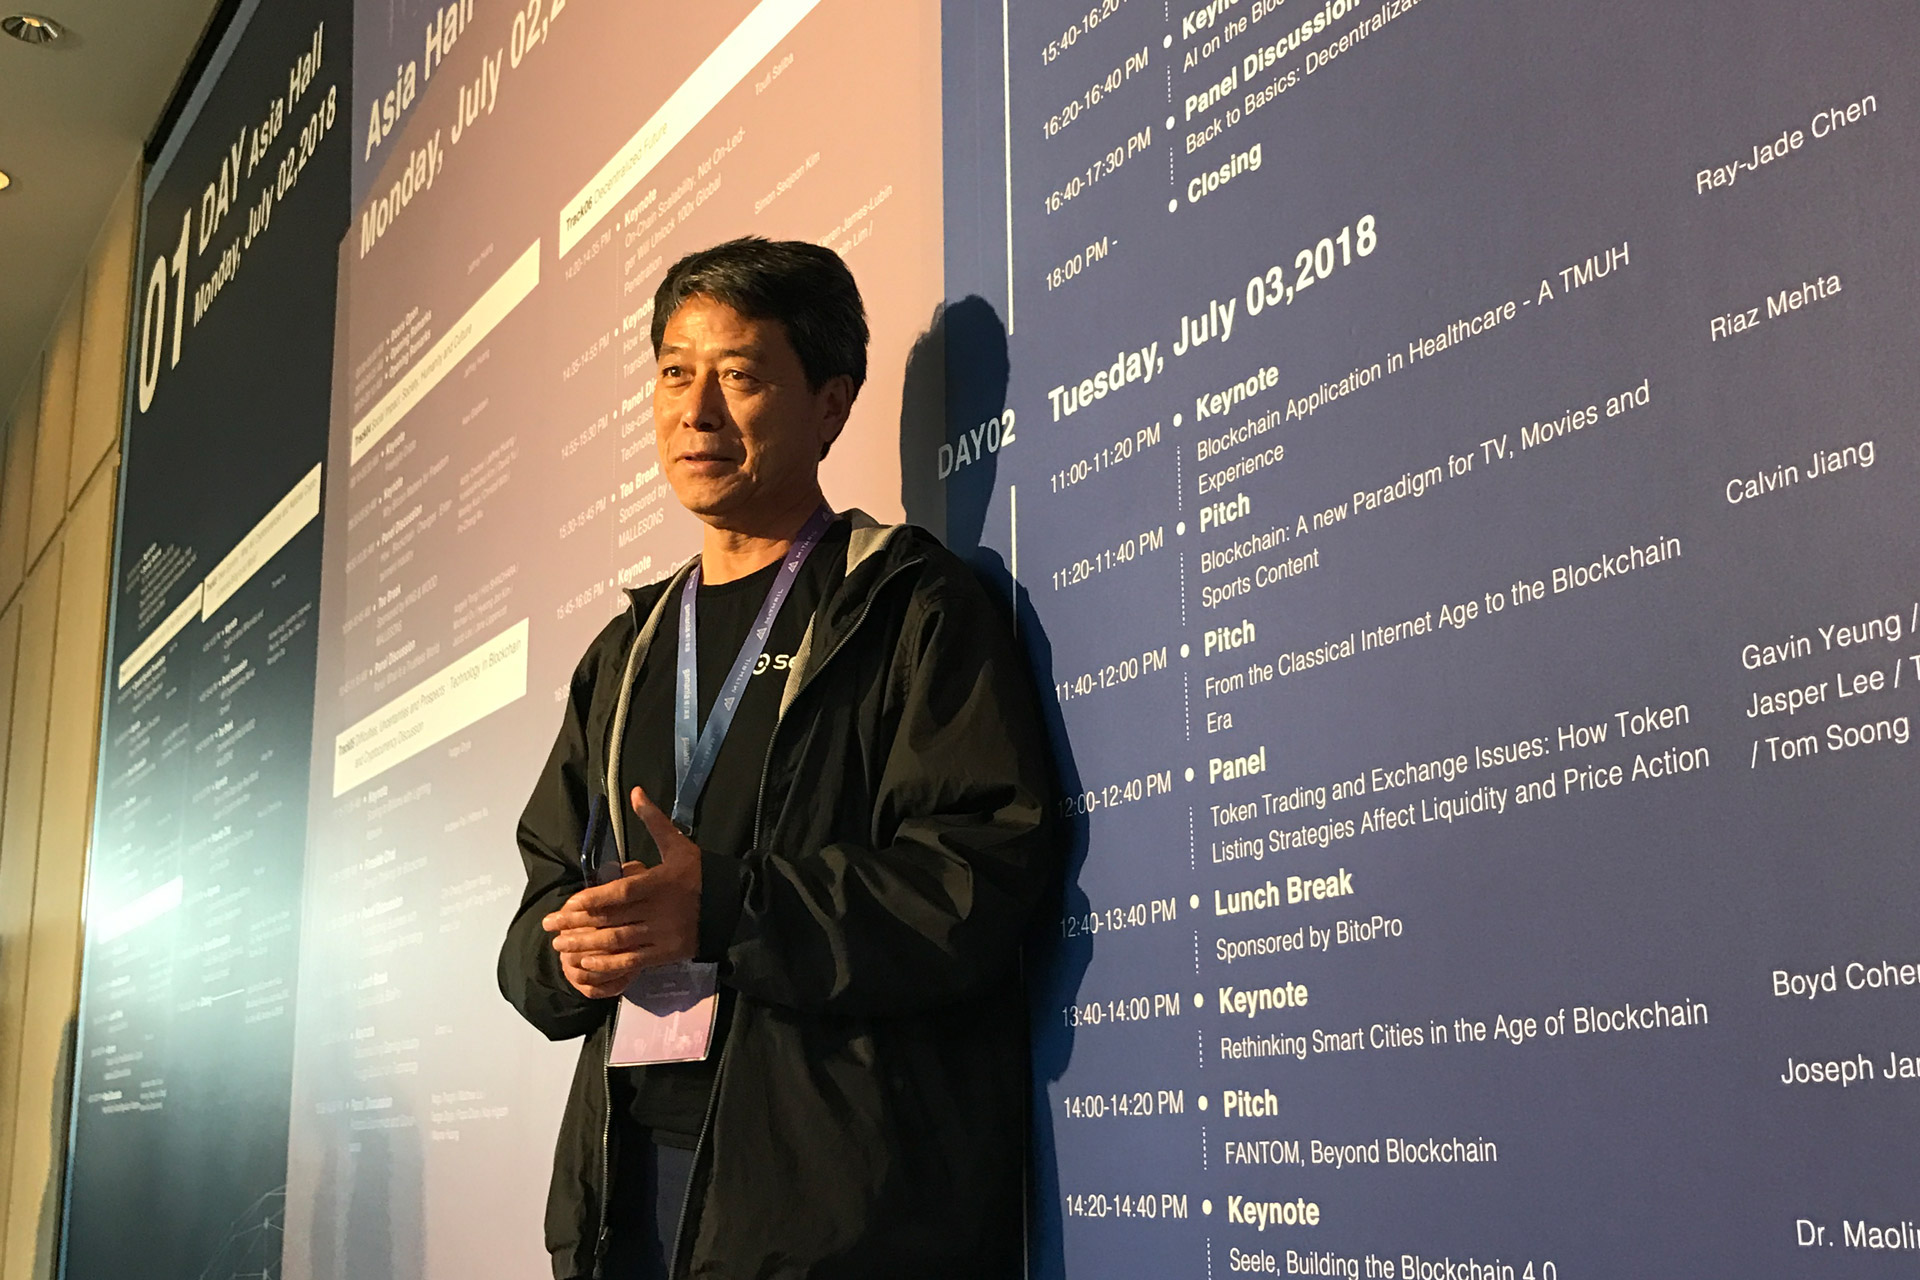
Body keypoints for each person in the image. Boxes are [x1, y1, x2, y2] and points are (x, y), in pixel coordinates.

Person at [499, 237, 1058, 1279]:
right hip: (627, 1194)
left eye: (740, 376)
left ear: (830, 405)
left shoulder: (907, 609)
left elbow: (973, 880)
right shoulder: (625, 654)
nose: (696, 412)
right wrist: (566, 957)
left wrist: (725, 908)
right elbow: (538, 909)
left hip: (828, 1216)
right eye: (675, 372)